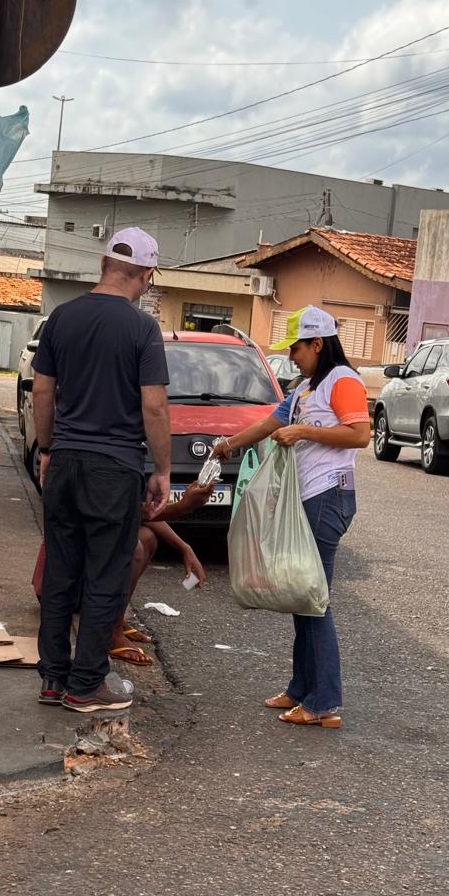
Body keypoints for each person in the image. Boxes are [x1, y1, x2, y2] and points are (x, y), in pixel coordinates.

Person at [32, 227, 172, 714]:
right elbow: (153, 405)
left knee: (61, 571)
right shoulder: (142, 329)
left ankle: (53, 678)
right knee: (104, 575)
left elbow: (42, 391)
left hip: (65, 461)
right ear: (146, 276)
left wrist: (47, 449)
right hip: (114, 468)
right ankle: (87, 684)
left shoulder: (62, 317)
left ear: (103, 264)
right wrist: (162, 469)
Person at [212, 306, 371, 728]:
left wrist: (303, 432)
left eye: (296, 348)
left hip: (328, 497)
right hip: (307, 499)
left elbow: (360, 435)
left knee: (313, 599)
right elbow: (269, 424)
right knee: (302, 595)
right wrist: (229, 445)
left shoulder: (343, 381)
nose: (292, 356)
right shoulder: (304, 388)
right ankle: (301, 689)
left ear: (318, 343)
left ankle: (324, 703)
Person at [110, 480, 212, 665]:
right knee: (134, 547)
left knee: (147, 537)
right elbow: (129, 513)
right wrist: (183, 506)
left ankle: (115, 618)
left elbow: (139, 512)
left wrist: (185, 548)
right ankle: (111, 632)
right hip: (69, 580)